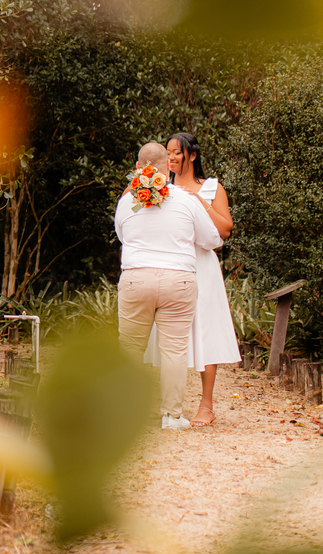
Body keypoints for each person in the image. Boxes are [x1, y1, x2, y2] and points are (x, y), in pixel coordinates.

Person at [114, 142, 222, 430]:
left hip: (137, 276)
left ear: (138, 168)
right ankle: (172, 417)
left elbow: (122, 236)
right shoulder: (186, 200)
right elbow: (213, 240)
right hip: (179, 279)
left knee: (129, 349)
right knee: (174, 350)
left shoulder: (127, 201)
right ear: (168, 167)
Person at [143, 132, 239, 427]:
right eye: (168, 153)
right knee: (169, 336)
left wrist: (201, 204)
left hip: (202, 266)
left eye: (175, 153)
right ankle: (169, 405)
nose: (170, 158)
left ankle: (206, 404)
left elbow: (225, 230)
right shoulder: (160, 188)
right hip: (170, 263)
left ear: (192, 156)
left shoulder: (211, 188)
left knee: (205, 330)